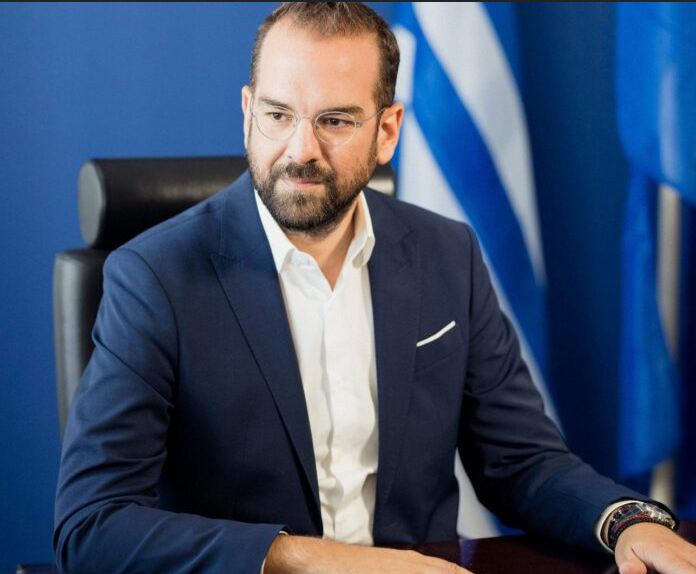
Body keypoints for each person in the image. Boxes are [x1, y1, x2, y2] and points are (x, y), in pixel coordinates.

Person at [54, 3, 696, 574]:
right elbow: (93, 524)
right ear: (248, 112)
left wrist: (626, 522)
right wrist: (318, 561)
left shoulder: (448, 255)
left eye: (334, 120)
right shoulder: (154, 277)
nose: (299, 150)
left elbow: (523, 463)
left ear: (387, 131)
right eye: (277, 115)